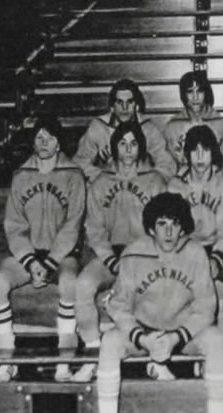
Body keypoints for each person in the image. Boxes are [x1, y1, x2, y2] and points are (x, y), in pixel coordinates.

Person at [88, 192, 223, 413]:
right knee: (109, 342)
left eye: (175, 224)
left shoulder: (196, 253)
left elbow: (206, 307)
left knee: (215, 340)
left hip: (182, 331)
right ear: (151, 227)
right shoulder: (133, 254)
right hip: (144, 332)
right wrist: (142, 339)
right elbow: (118, 306)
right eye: (162, 224)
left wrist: (177, 337)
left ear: (183, 226)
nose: (169, 232)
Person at [0, 115, 85, 383]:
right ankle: (6, 362)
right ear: (33, 141)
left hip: (61, 255)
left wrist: (50, 262)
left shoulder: (74, 175)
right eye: (39, 137)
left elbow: (72, 225)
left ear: (59, 143)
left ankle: (64, 362)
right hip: (28, 254)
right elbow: (14, 225)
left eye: (50, 137)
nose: (44, 143)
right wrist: (31, 262)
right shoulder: (21, 175)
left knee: (69, 284)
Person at [72, 121, 167, 382]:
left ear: (141, 147)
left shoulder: (155, 180)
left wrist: (138, 258)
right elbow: (94, 228)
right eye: (122, 144)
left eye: (133, 143)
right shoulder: (101, 182)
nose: (128, 149)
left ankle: (156, 359)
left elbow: (162, 227)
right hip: (110, 257)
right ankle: (92, 355)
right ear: (114, 148)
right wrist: (110, 258)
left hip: (145, 257)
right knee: (82, 285)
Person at [168, 125, 223, 336]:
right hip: (187, 249)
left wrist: (216, 260)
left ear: (214, 153)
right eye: (194, 150)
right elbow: (174, 231)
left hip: (218, 248)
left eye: (205, 150)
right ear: (187, 154)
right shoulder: (175, 186)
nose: (200, 157)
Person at [72, 78, 176, 182]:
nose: (124, 107)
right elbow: (79, 163)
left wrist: (148, 179)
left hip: (141, 187)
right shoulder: (99, 128)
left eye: (129, 102)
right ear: (112, 107)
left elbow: (168, 165)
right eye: (119, 102)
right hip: (108, 188)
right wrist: (102, 176)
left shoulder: (148, 129)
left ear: (137, 106)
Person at [163, 71, 223, 175]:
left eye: (199, 91)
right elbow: (167, 166)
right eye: (190, 92)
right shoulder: (173, 127)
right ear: (183, 95)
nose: (195, 97)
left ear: (206, 93)